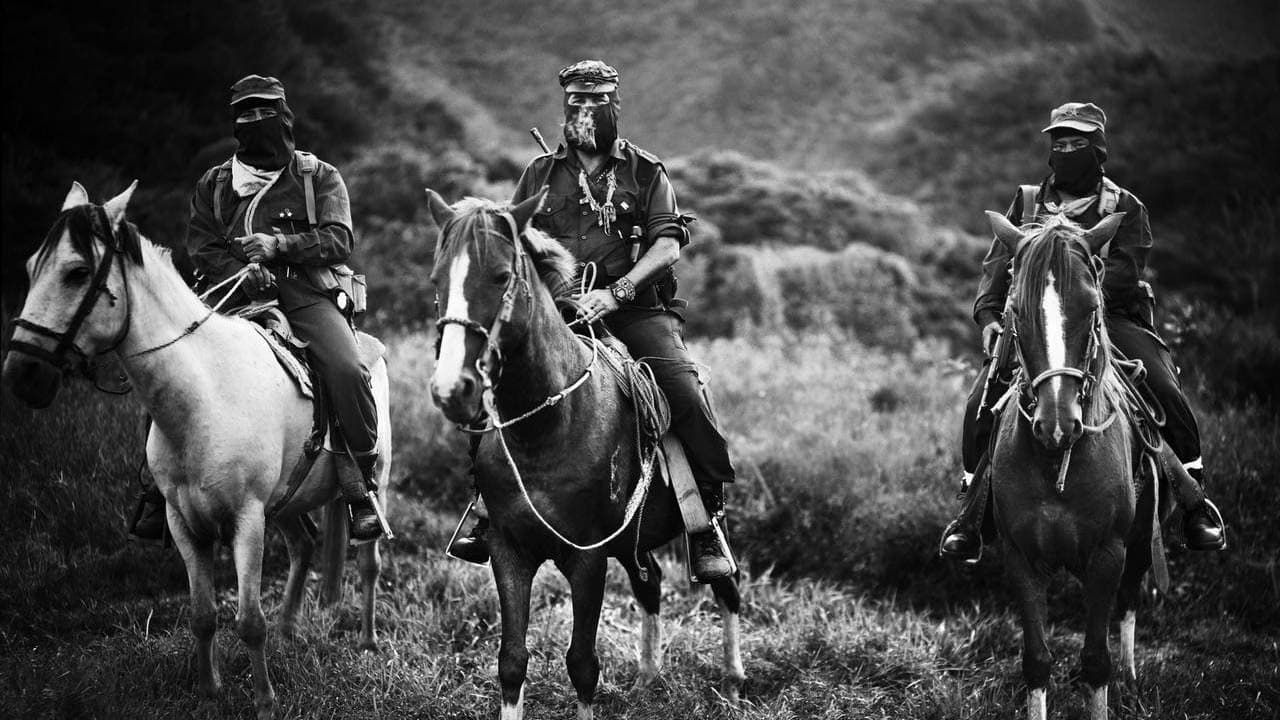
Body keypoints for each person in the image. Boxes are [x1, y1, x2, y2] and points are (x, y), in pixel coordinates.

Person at [446, 60, 736, 580]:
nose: (584, 108)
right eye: (576, 100)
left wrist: (617, 293)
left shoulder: (647, 172)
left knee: (683, 389)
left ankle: (705, 520)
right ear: (564, 106)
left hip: (636, 310)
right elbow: (514, 244)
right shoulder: (539, 174)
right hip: (558, 313)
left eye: (597, 99)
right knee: (490, 376)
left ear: (614, 105)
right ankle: (484, 506)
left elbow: (667, 245)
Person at [939, 102, 1226, 563]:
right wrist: (990, 315)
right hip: (1035, 320)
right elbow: (998, 263)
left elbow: (1126, 273)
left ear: (1098, 149)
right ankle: (971, 513)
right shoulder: (1029, 202)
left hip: (1106, 316)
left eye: (1077, 143)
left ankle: (1195, 500)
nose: (1066, 150)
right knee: (981, 397)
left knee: (1161, 383)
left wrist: (1074, 293)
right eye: (1059, 143)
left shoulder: (1126, 207)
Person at [128, 74, 386, 544]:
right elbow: (201, 245)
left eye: (264, 112)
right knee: (167, 366)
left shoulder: (318, 176)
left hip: (305, 293)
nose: (254, 122)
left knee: (347, 369)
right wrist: (240, 269)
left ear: (284, 116)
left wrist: (278, 245)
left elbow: (339, 239)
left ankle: (358, 483)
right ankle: (154, 489)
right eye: (244, 115)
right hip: (230, 291)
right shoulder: (215, 182)